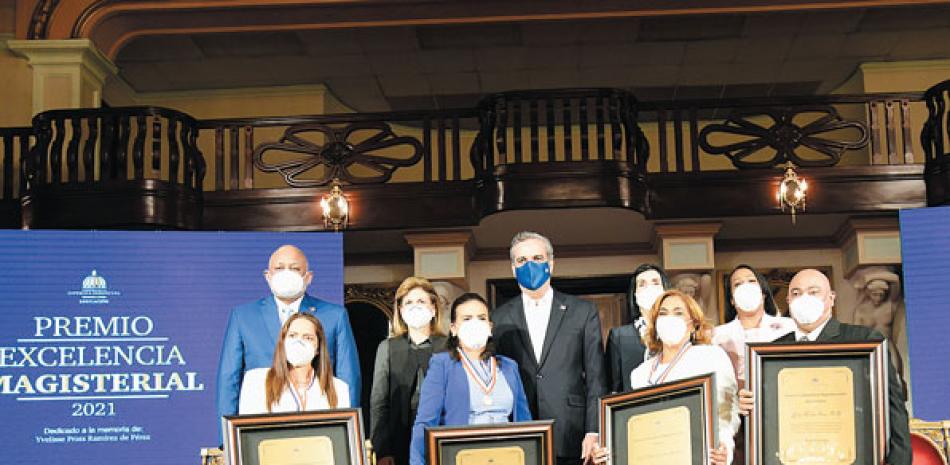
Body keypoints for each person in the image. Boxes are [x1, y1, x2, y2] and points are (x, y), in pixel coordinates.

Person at [737, 268, 912, 465]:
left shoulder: (863, 341)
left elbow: (894, 411)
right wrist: (746, 409)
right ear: (788, 301)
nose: (804, 298)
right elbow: (765, 426)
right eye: (796, 293)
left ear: (831, 298)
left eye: (813, 292)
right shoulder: (771, 354)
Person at [492, 231, 607, 465]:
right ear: (513, 269)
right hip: (519, 434)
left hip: (571, 433)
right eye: (522, 261)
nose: (530, 265)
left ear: (551, 264)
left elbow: (596, 377)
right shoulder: (499, 317)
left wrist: (594, 430)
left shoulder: (582, 312)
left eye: (537, 258)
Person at [217, 245, 360, 423]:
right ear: (267, 276)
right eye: (279, 268)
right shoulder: (243, 316)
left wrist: (349, 430)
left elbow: (348, 377)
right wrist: (227, 440)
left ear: (308, 277)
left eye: (294, 268)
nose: (286, 273)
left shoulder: (335, 315)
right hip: (262, 420)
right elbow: (229, 378)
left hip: (319, 421)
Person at [593, 290, 739, 465]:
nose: (670, 318)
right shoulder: (640, 374)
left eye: (678, 313)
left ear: (693, 324)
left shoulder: (711, 356)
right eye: (663, 313)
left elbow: (727, 413)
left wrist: (724, 448)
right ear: (655, 324)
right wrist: (608, 451)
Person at [410, 293, 531, 465]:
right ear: (453, 328)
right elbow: (425, 423)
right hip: (462, 456)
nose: (475, 323)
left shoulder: (509, 366)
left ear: (490, 326)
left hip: (509, 455)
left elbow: (525, 424)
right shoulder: (442, 365)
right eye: (467, 318)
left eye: (481, 318)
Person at [370, 277, 447, 465]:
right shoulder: (387, 347)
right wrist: (382, 449)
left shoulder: (448, 346)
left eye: (421, 301)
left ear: (433, 307)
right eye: (409, 302)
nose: (415, 307)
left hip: (441, 434)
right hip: (398, 440)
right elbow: (379, 404)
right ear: (401, 310)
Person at [238, 313, 349, 413]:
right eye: (292, 336)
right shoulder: (256, 381)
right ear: (283, 342)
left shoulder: (339, 388)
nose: (298, 342)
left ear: (318, 348)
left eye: (308, 338)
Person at [713, 264, 796, 387]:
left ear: (763, 293)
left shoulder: (789, 327)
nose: (746, 287)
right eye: (737, 284)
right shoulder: (717, 336)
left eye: (751, 281)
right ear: (732, 299)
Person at [605, 264, 670, 393]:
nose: (649, 288)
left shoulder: (681, 330)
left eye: (655, 283)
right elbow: (613, 388)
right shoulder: (619, 337)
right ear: (634, 295)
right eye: (642, 284)